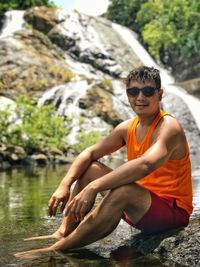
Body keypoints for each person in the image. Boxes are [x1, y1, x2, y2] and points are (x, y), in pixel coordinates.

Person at [15, 66, 193, 258]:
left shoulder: (169, 126)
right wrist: (64, 185)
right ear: (127, 95)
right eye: (133, 91)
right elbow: (90, 152)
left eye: (148, 91)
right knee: (91, 169)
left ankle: (57, 250)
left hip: (171, 213)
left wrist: (94, 188)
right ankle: (63, 231)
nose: (140, 97)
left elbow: (146, 164)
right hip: (140, 207)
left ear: (159, 94)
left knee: (124, 190)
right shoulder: (127, 128)